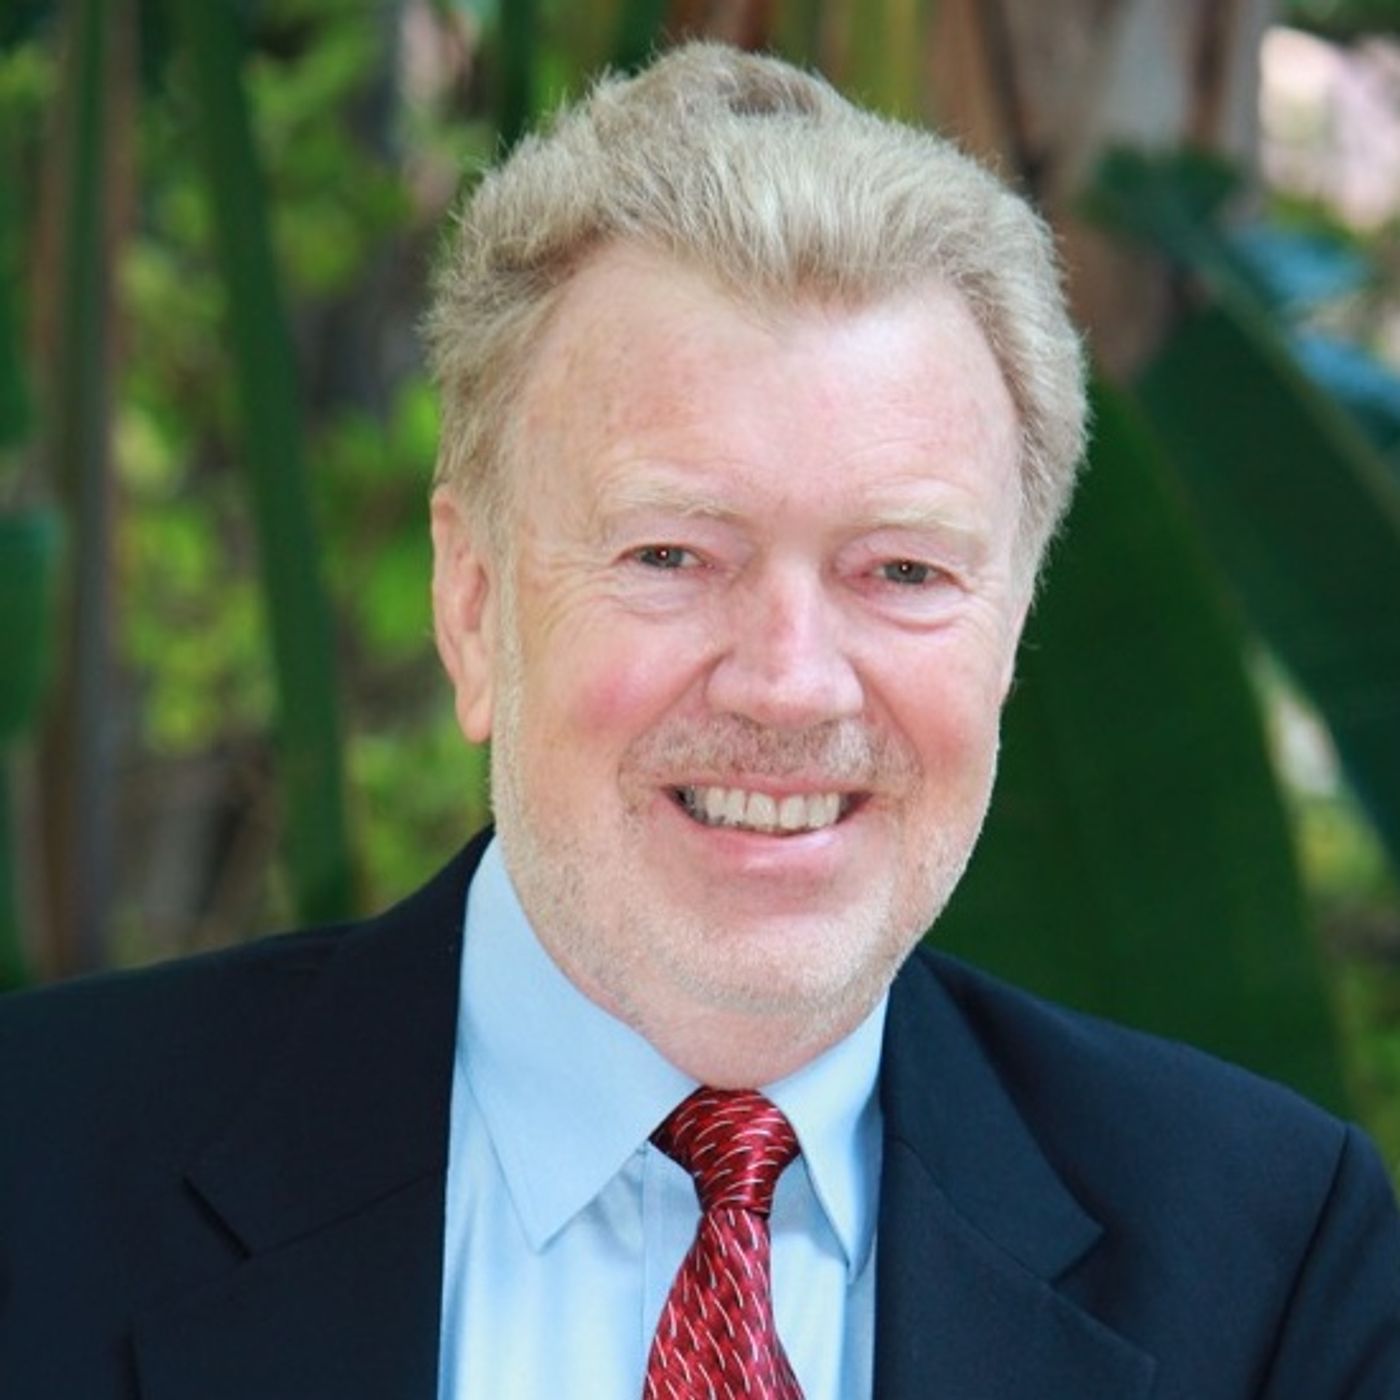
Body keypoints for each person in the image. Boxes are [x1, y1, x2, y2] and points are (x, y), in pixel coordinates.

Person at [1, 41, 1397, 1400]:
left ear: (1012, 636)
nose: (790, 683)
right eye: (671, 554)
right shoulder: (36, 1174)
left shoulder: (1273, 1269)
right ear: (472, 605)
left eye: (903, 571)